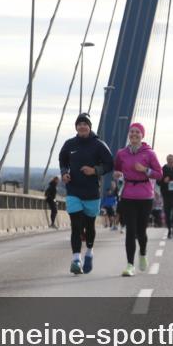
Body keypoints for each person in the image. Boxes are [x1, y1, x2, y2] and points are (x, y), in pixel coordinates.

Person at [58, 113, 113, 275]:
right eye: (79, 124)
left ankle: (89, 252)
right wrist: (64, 173)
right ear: (76, 127)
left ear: (90, 127)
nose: (82, 126)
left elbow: (109, 164)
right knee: (75, 226)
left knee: (89, 226)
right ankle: (76, 259)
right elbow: (62, 160)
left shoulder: (98, 145)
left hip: (91, 193)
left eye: (85, 124)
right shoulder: (69, 144)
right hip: (73, 191)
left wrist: (94, 170)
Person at [113, 123, 163, 276]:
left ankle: (143, 252)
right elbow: (117, 168)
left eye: (137, 132)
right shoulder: (121, 153)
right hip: (128, 195)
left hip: (145, 196)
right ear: (129, 134)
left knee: (141, 231)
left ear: (142, 135)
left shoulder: (149, 154)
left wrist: (145, 170)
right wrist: (117, 173)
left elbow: (159, 174)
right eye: (132, 131)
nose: (134, 134)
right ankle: (129, 265)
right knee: (130, 231)